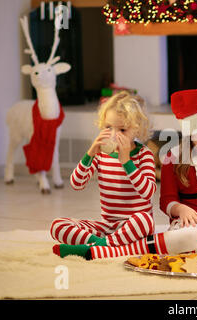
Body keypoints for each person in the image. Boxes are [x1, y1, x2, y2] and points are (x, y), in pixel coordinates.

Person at [82, 88, 197, 260]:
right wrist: (181, 209)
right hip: (194, 222)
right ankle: (195, 245)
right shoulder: (172, 157)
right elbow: (166, 201)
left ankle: (194, 248)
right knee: (189, 236)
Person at [51, 91, 157, 259]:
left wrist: (126, 162)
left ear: (137, 130)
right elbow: (76, 184)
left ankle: (94, 247)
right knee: (58, 226)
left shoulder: (144, 155)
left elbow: (148, 192)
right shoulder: (101, 154)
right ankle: (104, 244)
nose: (114, 134)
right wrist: (90, 153)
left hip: (134, 227)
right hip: (107, 227)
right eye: (108, 127)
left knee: (145, 221)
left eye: (122, 129)